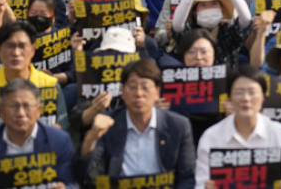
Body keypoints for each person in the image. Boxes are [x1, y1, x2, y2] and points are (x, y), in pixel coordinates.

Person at [78, 58, 196, 187]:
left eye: (145, 87)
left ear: (157, 92)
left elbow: (187, 177)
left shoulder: (178, 125)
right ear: (122, 93)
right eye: (132, 87)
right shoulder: (109, 123)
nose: (139, 93)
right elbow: (83, 172)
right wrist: (93, 135)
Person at [194, 66, 281, 189]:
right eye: (239, 92)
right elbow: (200, 183)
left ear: (263, 98)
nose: (246, 98)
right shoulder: (211, 137)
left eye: (252, 92)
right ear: (229, 98)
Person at [0, 78, 77, 189]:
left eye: (26, 106)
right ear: (1, 111)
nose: (20, 113)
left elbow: (72, 183)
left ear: (38, 110)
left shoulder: (59, 140)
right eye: (14, 106)